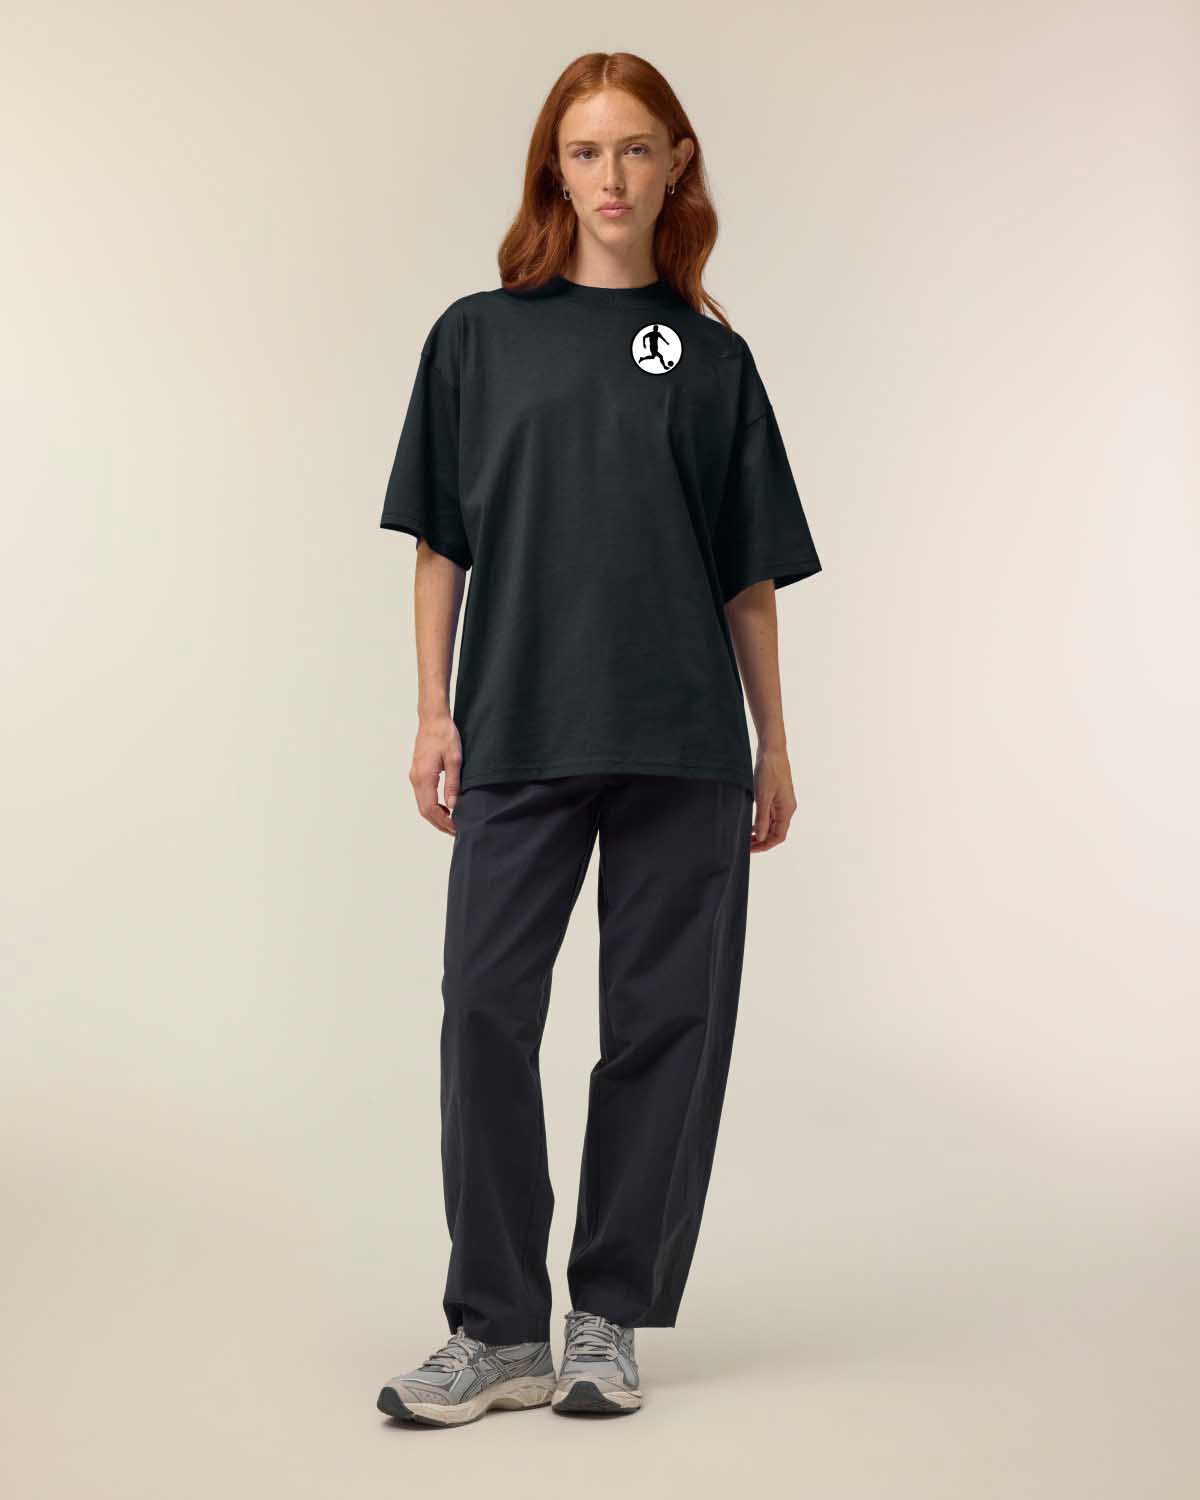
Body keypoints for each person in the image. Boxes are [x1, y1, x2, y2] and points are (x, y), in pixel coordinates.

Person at [374, 51, 822, 1428]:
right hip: (519, 724)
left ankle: (606, 1319)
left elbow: (747, 576)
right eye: (585, 151)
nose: (611, 176)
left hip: (686, 738)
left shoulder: (714, 360)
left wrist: (775, 743)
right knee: (484, 1013)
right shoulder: (476, 338)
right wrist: (434, 708)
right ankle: (496, 1328)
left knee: (663, 1027)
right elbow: (440, 544)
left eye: (636, 149)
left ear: (676, 165)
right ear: (552, 172)